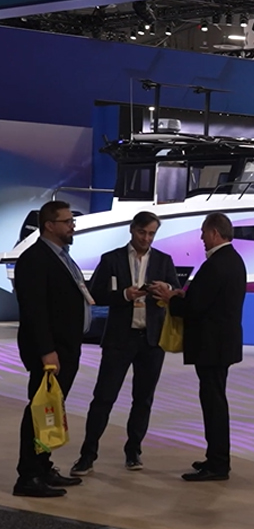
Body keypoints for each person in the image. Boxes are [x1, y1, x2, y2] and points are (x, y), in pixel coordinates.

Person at [71, 211, 179, 477]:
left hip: (151, 340)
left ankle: (134, 451)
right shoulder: (112, 259)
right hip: (120, 338)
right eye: (143, 232)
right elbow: (95, 294)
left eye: (152, 234)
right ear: (132, 230)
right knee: (104, 397)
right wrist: (124, 294)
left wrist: (166, 290)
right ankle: (87, 455)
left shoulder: (164, 260)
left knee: (143, 399)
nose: (146, 238)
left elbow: (176, 292)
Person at [161, 213, 247, 482]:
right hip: (221, 345)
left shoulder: (216, 265)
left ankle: (218, 464)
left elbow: (195, 307)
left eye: (203, 232)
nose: (201, 238)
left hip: (212, 346)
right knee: (214, 400)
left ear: (214, 233)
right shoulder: (234, 260)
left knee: (213, 404)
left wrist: (170, 299)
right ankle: (215, 457)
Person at [12, 200, 88, 498]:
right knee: (39, 409)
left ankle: (43, 467)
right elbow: (34, 311)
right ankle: (28, 476)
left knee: (51, 409)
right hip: (50, 351)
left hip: (66, 346)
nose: (72, 226)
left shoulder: (61, 256)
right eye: (67, 221)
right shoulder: (34, 259)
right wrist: (46, 351)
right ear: (49, 225)